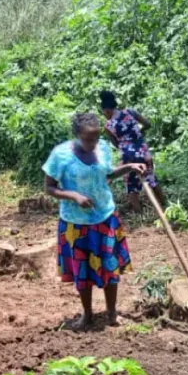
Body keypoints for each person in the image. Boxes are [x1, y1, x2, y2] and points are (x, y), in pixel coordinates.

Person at [43, 113, 147, 329]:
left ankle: (111, 313)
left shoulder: (103, 148)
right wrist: (74, 196)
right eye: (88, 139)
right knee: (82, 271)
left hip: (105, 218)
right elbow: (49, 188)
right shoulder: (60, 155)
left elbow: (107, 175)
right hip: (75, 223)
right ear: (77, 135)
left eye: (96, 137)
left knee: (110, 267)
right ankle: (87, 315)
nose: (93, 143)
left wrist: (130, 167)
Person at [100, 90, 164, 213]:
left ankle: (139, 213)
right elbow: (147, 124)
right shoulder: (130, 112)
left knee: (131, 185)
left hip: (128, 156)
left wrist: (126, 145)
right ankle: (164, 205)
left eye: (104, 113)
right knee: (151, 178)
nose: (104, 115)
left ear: (107, 110)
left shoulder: (108, 126)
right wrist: (139, 133)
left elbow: (117, 144)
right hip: (143, 151)